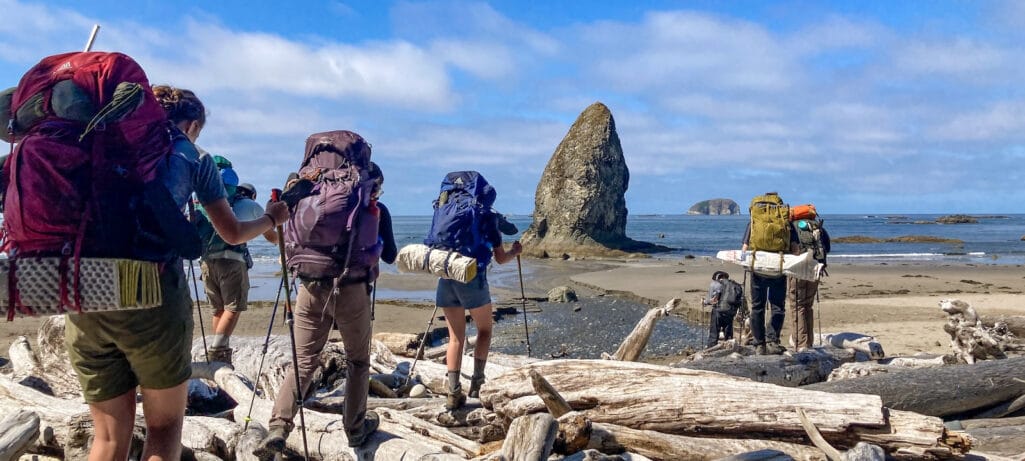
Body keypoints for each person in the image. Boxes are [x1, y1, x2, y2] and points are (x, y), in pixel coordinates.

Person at [63, 86, 289, 461]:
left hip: (86, 289)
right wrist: (271, 218)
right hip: (153, 293)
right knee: (164, 431)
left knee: (106, 439)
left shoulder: (102, 144)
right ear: (194, 123)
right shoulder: (193, 156)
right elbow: (231, 232)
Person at [256, 157, 394, 455]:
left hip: (309, 286)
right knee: (357, 360)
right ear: (373, 186)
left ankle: (279, 425)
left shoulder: (313, 202)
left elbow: (284, 236)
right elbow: (392, 255)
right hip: (351, 289)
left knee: (304, 359)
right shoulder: (375, 210)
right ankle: (355, 428)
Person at [427, 173, 522, 411]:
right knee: (485, 330)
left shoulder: (445, 209)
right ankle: (478, 384)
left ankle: (453, 392)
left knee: (456, 338)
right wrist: (515, 251)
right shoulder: (486, 217)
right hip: (472, 278)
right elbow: (500, 259)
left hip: (446, 275)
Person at [198, 171, 279, 365]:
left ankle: (216, 349)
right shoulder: (251, 206)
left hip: (206, 262)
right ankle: (218, 350)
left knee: (218, 309)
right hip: (232, 261)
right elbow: (271, 235)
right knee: (233, 307)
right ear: (252, 195)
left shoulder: (216, 203)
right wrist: (283, 243)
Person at [741, 193, 798, 355]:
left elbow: (744, 249)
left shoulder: (753, 223)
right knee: (777, 307)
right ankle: (772, 341)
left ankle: (759, 344)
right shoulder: (786, 222)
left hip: (758, 269)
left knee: (757, 307)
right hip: (778, 269)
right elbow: (795, 250)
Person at [787, 214, 831, 350]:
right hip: (815, 269)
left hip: (797, 270)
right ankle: (809, 342)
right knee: (807, 306)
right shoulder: (818, 227)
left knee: (797, 306)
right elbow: (827, 248)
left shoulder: (792, 227)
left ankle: (801, 343)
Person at [704, 270, 741, 348]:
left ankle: (711, 348)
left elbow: (713, 300)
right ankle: (729, 347)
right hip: (730, 311)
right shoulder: (734, 285)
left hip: (718, 311)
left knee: (714, 334)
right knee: (728, 333)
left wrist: (705, 302)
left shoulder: (716, 285)